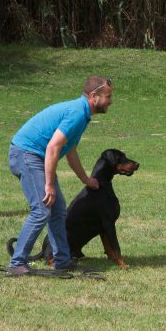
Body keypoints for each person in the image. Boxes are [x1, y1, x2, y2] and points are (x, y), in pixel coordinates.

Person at [8, 76, 112, 275]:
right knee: (41, 210)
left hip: (35, 156)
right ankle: (17, 263)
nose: (110, 101)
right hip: (26, 154)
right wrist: (49, 184)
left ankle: (63, 261)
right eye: (107, 97)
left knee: (57, 210)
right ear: (93, 96)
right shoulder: (77, 113)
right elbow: (53, 147)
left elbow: (70, 150)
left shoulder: (82, 113)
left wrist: (86, 180)